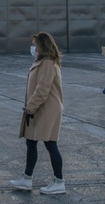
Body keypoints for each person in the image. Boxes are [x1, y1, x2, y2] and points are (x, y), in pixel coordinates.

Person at [9, 32, 66, 195]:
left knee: (50, 143)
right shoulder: (41, 61)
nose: (33, 48)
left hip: (47, 109)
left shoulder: (48, 63)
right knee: (31, 142)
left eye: (35, 44)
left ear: (42, 45)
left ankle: (59, 181)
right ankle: (27, 178)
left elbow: (42, 90)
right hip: (39, 108)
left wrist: (30, 108)